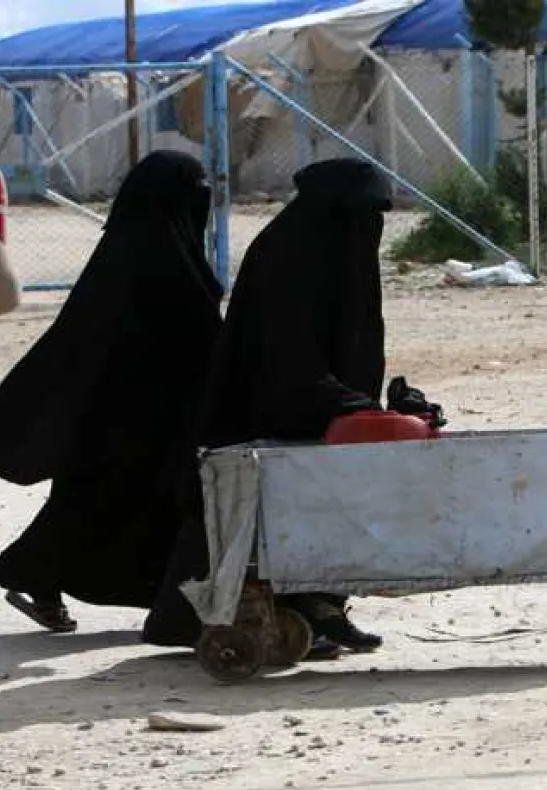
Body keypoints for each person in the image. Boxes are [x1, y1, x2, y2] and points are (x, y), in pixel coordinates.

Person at [0, 151, 224, 632]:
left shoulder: (143, 250)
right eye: (193, 185)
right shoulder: (149, 258)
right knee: (101, 502)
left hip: (146, 412)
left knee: (119, 504)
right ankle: (36, 576)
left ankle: (146, 598)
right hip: (129, 415)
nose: (202, 196)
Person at [142, 158, 391, 654]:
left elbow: (356, 339)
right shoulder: (289, 253)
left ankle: (322, 610)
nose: (370, 227)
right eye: (364, 214)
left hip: (325, 409)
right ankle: (263, 621)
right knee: (262, 519)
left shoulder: (337, 251)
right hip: (269, 409)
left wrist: (364, 403)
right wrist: (337, 398)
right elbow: (284, 353)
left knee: (329, 507)